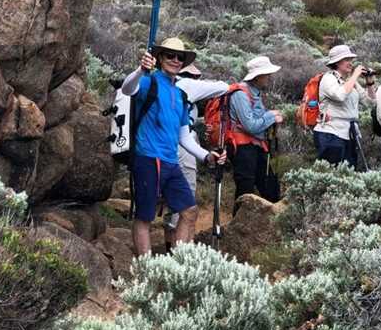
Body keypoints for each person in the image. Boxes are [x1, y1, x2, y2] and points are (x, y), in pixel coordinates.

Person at [120, 37, 225, 257]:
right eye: (170, 55)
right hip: (147, 158)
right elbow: (128, 89)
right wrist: (140, 70)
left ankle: (176, 266)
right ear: (159, 58)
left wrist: (207, 157)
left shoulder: (179, 94)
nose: (175, 60)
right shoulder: (150, 81)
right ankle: (147, 269)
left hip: (170, 162)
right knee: (145, 217)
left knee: (190, 211)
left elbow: (184, 138)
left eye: (180, 57)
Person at [162, 62, 228, 253]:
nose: (197, 80)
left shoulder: (171, 89)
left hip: (168, 145)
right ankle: (180, 253)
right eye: (195, 76)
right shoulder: (186, 85)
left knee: (171, 201)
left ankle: (169, 246)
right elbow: (223, 87)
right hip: (182, 148)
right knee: (186, 198)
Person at [228, 55, 285, 208]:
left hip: (257, 146)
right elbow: (251, 126)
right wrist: (271, 116)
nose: (269, 77)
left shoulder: (255, 93)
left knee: (270, 187)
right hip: (242, 148)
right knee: (245, 190)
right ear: (257, 76)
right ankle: (238, 226)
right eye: (267, 74)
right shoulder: (240, 94)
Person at [314, 44, 376, 169]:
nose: (350, 63)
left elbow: (371, 102)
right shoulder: (328, 79)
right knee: (331, 173)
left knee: (348, 173)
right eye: (347, 60)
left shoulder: (350, 81)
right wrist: (354, 76)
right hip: (330, 133)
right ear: (337, 62)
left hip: (349, 134)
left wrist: (370, 83)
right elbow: (340, 95)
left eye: (351, 60)